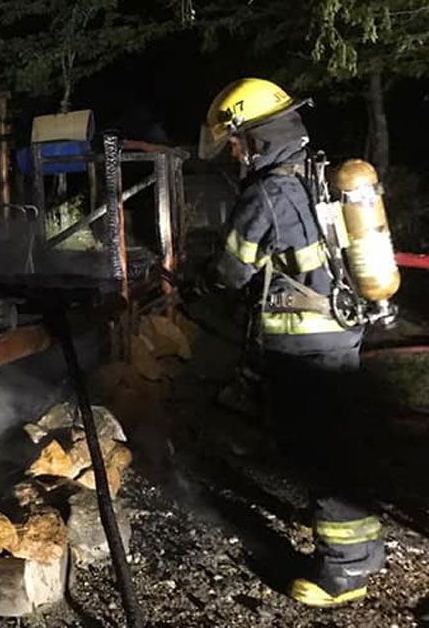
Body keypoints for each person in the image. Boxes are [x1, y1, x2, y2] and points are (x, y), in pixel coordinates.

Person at [198, 78, 384, 607]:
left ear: (255, 139)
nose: (235, 155)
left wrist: (204, 282)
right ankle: (357, 538)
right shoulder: (313, 175)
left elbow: (232, 269)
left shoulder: (268, 194)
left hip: (306, 347)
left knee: (320, 453)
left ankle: (346, 570)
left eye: (237, 144)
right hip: (340, 334)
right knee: (336, 443)